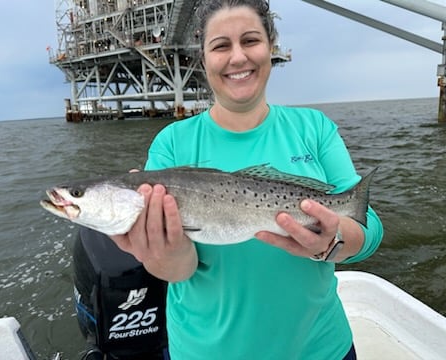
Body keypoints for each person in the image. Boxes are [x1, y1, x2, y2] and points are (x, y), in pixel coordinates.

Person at [111, 0, 383, 359]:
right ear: (203, 57)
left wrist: (331, 240)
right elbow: (178, 271)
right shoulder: (171, 143)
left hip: (321, 348)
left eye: (250, 41)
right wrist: (162, 251)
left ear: (271, 46)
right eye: (221, 45)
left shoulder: (314, 128)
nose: (237, 57)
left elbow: (369, 229)